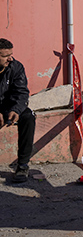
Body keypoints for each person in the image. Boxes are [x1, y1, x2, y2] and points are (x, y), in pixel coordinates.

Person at [0, 38, 35, 184]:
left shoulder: (16, 67)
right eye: (4, 56)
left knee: (28, 117)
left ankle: (22, 165)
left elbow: (21, 93)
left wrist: (16, 110)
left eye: (11, 54)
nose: (10, 58)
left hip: (9, 106)